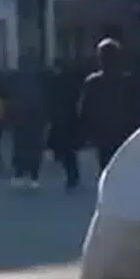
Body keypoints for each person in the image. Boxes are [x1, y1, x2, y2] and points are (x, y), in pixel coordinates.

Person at [78, 38, 140, 173]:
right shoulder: (128, 81)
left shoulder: (94, 82)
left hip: (106, 133)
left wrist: (87, 131)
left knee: (107, 167)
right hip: (121, 133)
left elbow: (85, 110)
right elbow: (138, 109)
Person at [7, 53, 48, 189]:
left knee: (20, 145)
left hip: (20, 118)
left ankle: (19, 173)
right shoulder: (40, 79)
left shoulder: (14, 79)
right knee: (34, 147)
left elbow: (9, 98)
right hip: (35, 119)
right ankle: (34, 175)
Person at [46, 60, 84, 190]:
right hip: (69, 119)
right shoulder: (70, 83)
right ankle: (73, 174)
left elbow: (50, 100)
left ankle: (71, 173)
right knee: (68, 149)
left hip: (61, 119)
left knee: (64, 148)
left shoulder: (54, 83)